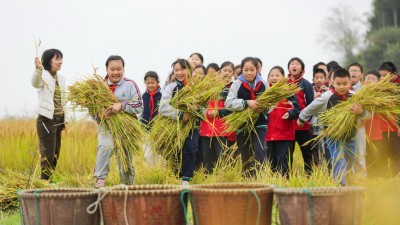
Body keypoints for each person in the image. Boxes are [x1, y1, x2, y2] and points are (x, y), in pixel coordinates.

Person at [297, 68, 371, 185]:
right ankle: (339, 184)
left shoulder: (356, 96)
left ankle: (344, 175)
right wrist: (301, 119)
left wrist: (361, 111)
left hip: (350, 134)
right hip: (332, 134)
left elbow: (369, 114)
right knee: (338, 159)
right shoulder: (327, 97)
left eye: (345, 84)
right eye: (338, 84)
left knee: (350, 159)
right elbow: (311, 108)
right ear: (332, 83)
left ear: (350, 83)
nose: (342, 87)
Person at [94, 55, 143, 188]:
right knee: (105, 146)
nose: (115, 72)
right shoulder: (99, 86)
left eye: (119, 69)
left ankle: (127, 183)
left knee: (125, 154)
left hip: (126, 127)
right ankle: (100, 179)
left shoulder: (130, 85)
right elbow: (91, 109)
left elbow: (139, 105)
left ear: (123, 69)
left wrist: (121, 106)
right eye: (112, 69)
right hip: (106, 125)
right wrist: (99, 115)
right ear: (107, 69)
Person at [225, 57, 272, 177]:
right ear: (242, 70)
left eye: (252, 69)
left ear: (257, 69)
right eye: (246, 70)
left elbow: (272, 103)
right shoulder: (237, 83)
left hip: (260, 122)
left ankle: (260, 177)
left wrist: (265, 108)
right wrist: (246, 103)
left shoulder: (263, 84)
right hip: (242, 123)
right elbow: (228, 103)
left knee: (260, 149)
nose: (249, 73)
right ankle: (247, 177)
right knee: (244, 151)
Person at [159, 59, 198, 185]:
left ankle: (186, 180)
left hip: (192, 126)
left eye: (182, 69)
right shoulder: (171, 88)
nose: (179, 73)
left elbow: (203, 106)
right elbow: (163, 108)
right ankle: (176, 178)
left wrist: (196, 110)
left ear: (189, 70)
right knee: (175, 153)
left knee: (190, 149)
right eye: (176, 70)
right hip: (174, 127)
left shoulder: (196, 88)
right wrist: (181, 115)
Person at [32, 49, 65, 181]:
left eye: (61, 59)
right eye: (57, 59)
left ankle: (49, 181)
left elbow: (62, 100)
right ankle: (44, 181)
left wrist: (64, 120)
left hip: (59, 119)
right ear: (48, 61)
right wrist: (38, 70)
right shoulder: (43, 75)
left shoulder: (61, 78)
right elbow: (35, 83)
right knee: (48, 154)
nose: (60, 62)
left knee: (56, 152)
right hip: (46, 120)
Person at [199, 61, 234, 173]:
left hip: (221, 130)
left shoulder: (231, 88)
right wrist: (204, 111)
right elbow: (198, 106)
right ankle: (206, 182)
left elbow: (233, 109)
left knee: (222, 158)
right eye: (224, 70)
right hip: (205, 129)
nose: (227, 73)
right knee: (207, 159)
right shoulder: (205, 88)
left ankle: (222, 182)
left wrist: (218, 112)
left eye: (229, 71)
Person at [265, 66, 300, 178]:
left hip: (284, 135)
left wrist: (290, 114)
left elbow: (297, 109)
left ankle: (283, 189)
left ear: (283, 78)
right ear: (268, 77)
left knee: (283, 164)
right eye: (272, 75)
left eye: (277, 75)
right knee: (269, 165)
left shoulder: (288, 92)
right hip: (268, 135)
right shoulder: (264, 93)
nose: (274, 78)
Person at [287, 57, 314, 175]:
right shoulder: (284, 83)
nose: (294, 66)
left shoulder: (306, 84)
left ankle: (309, 174)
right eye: (292, 64)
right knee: (288, 153)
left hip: (302, 124)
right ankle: (287, 175)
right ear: (288, 68)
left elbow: (311, 105)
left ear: (302, 69)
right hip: (287, 125)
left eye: (297, 64)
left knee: (306, 152)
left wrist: (305, 119)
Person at [363, 70, 385, 177]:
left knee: (375, 156)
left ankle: (376, 179)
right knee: (363, 156)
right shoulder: (359, 92)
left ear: (378, 81)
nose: (370, 81)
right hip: (361, 130)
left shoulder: (381, 95)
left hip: (375, 130)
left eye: (373, 79)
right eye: (368, 78)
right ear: (364, 79)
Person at [310, 68, 330, 167]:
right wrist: (314, 99)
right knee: (315, 149)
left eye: (321, 78)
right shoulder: (310, 91)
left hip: (326, 125)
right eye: (316, 78)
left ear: (325, 79)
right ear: (313, 79)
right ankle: (318, 169)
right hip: (313, 125)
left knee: (326, 149)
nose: (318, 80)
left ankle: (328, 169)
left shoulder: (330, 90)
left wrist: (327, 93)